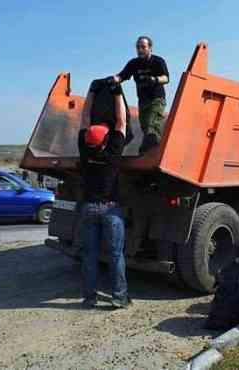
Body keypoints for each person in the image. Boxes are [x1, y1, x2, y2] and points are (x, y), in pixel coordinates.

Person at [78, 81, 130, 309]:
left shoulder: (85, 149)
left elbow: (84, 119)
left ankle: (90, 297)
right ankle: (119, 297)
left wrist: (91, 91)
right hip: (110, 209)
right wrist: (118, 92)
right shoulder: (112, 153)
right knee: (116, 255)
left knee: (89, 256)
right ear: (106, 140)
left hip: (88, 209)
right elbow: (122, 121)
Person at [112, 36, 169, 153]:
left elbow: (166, 78)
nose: (140, 50)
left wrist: (154, 79)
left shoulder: (158, 61)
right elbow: (122, 76)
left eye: (143, 47)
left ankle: (151, 153)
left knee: (152, 125)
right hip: (143, 101)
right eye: (138, 47)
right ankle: (152, 149)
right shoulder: (134, 63)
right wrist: (113, 79)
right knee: (145, 127)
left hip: (156, 99)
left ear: (150, 48)